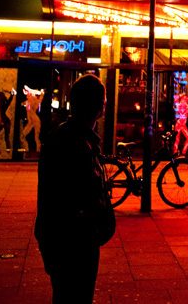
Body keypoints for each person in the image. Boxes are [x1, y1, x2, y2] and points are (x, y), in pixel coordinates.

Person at [35, 74, 114, 303]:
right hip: (75, 242)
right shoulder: (76, 142)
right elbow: (76, 197)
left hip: (66, 240)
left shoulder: (66, 137)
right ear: (99, 106)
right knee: (75, 294)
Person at [22, 85, 44, 152]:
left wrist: (29, 90)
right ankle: (27, 148)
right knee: (23, 135)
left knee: (36, 137)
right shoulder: (29, 102)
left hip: (35, 121)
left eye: (28, 95)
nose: (27, 96)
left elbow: (40, 94)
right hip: (32, 121)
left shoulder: (33, 102)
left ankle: (38, 150)